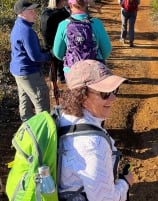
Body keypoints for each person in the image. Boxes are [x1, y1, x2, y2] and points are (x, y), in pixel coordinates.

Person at [58, 59, 134, 200]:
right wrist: (125, 183)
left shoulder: (63, 117)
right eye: (104, 93)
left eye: (113, 90)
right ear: (82, 96)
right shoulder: (94, 144)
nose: (113, 98)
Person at [10, 0, 51, 121]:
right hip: (29, 73)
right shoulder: (26, 31)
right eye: (31, 11)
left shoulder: (18, 25)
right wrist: (49, 55)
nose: (35, 13)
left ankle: (27, 129)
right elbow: (36, 57)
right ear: (22, 13)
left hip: (18, 71)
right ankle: (42, 134)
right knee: (41, 103)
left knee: (25, 102)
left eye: (34, 10)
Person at [53, 0, 112, 74]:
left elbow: (58, 53)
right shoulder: (96, 23)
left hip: (72, 71)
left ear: (70, 5)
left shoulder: (63, 25)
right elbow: (107, 51)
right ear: (86, 4)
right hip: (94, 70)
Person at [40, 0, 70, 84]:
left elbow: (43, 31)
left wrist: (47, 46)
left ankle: (55, 86)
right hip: (59, 45)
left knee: (54, 66)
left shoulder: (45, 13)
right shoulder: (62, 14)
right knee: (58, 66)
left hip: (50, 44)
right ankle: (58, 83)